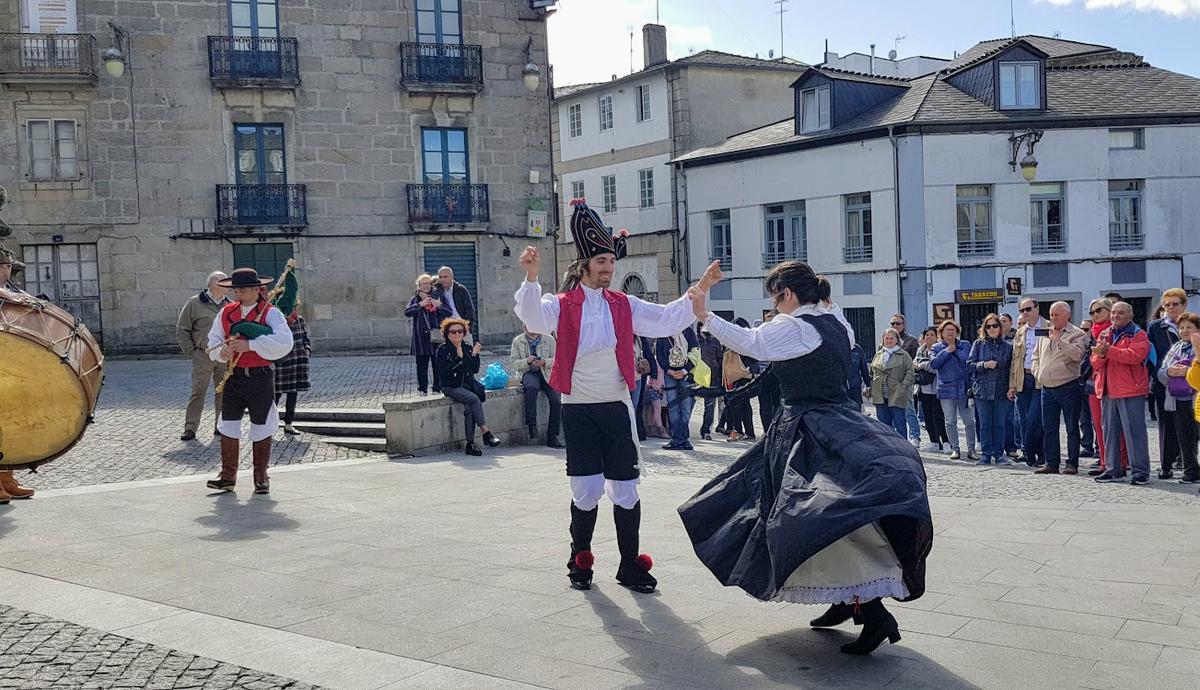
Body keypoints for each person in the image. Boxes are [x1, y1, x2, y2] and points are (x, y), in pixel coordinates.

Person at [679, 260, 932, 656]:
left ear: (787, 294)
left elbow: (753, 342)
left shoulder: (793, 325)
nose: (774, 306)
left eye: (775, 298)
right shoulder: (836, 320)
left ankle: (873, 612)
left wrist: (704, 316)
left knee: (812, 516)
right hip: (836, 422)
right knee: (824, 514)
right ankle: (848, 600)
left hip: (806, 429)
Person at [514, 201, 720, 594]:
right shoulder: (561, 304)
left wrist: (703, 287)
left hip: (617, 406)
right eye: (602, 261)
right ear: (584, 265)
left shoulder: (623, 304)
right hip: (578, 408)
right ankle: (580, 560)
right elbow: (533, 319)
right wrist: (532, 276)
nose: (609, 268)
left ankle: (629, 565)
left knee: (626, 488)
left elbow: (666, 318)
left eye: (611, 261)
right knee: (586, 489)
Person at [206, 268, 294, 495]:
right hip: (233, 377)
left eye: (243, 290)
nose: (238, 295)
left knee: (262, 425)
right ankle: (227, 477)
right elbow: (213, 341)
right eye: (236, 291)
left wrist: (251, 345)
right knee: (228, 424)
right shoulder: (226, 312)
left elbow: (285, 342)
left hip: (260, 377)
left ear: (256, 289)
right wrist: (221, 352)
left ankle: (261, 476)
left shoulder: (270, 313)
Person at [1092, 302, 1152, 485]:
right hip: (1107, 388)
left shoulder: (1138, 334)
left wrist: (1108, 351)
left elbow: (1134, 356)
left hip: (1130, 389)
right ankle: (1113, 469)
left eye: (1121, 313)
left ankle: (1140, 472)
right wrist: (1101, 355)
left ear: (1130, 316)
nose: (1115, 316)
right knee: (1109, 432)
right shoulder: (1105, 334)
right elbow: (1094, 362)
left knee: (1134, 432)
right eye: (1113, 313)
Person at [1031, 302, 1089, 475]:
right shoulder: (1044, 333)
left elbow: (1078, 355)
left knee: (1071, 427)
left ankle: (1072, 463)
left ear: (1067, 315)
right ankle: (1051, 463)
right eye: (1051, 315)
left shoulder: (1077, 333)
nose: (1053, 318)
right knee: (1049, 427)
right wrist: (1037, 372)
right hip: (1046, 387)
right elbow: (1035, 356)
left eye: (1057, 315)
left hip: (1068, 385)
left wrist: (1059, 341)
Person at [0, 251, 37, 502]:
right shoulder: (6, 292)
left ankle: (6, 478)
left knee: (8, 423)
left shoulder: (10, 289)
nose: (8, 270)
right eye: (6, 266)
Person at [176, 271, 230, 441]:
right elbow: (182, 329)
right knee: (198, 392)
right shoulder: (194, 303)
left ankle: (220, 427)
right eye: (224, 281)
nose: (229, 285)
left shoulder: (230, 305)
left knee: (223, 392)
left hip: (224, 356)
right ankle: (190, 428)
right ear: (214, 284)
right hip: (202, 355)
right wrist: (191, 352)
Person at [435, 317, 501, 456]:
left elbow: (474, 370)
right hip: (451, 386)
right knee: (474, 399)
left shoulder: (467, 347)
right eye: (453, 332)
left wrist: (475, 354)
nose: (457, 334)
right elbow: (444, 372)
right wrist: (458, 358)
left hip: (467, 385)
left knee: (469, 409)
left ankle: (470, 444)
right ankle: (486, 432)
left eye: (460, 331)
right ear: (447, 334)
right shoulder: (443, 350)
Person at [1148, 289, 1188, 479]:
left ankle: (1189, 463)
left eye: (1175, 304)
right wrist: (1160, 374)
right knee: (1166, 425)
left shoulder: (1192, 324)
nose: (1171, 307)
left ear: (1184, 305)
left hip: (1190, 383)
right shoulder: (1156, 327)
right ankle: (1166, 466)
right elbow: (1151, 355)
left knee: (1189, 425)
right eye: (1167, 304)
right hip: (1163, 383)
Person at [1158, 311, 1199, 483]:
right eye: (1181, 327)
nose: (1184, 331)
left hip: (1196, 399)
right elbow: (1161, 372)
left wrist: (1188, 371)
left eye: (1189, 327)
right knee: (1185, 438)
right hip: (1177, 400)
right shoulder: (1176, 348)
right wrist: (1169, 372)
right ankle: (1191, 471)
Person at [968, 314, 1014, 466]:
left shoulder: (1008, 346)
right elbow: (969, 365)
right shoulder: (978, 344)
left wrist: (1012, 387)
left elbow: (1012, 369)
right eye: (988, 326)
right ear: (984, 329)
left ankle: (999, 455)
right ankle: (986, 454)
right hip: (982, 390)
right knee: (984, 424)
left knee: (1000, 424)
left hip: (1001, 390)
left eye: (995, 325)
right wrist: (984, 364)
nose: (992, 328)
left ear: (1000, 328)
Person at [1008, 299, 1047, 466]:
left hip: (1040, 378)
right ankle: (1031, 454)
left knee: (1034, 419)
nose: (1025, 313)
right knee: (1024, 419)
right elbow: (1015, 360)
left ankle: (1038, 454)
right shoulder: (1021, 331)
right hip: (1023, 377)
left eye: (1028, 309)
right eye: (1022, 310)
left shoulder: (1048, 327)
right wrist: (1012, 385)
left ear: (1037, 308)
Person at [510, 325, 562, 448]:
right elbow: (514, 363)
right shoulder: (518, 341)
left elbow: (558, 359)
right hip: (528, 372)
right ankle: (532, 425)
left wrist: (544, 362)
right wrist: (527, 361)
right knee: (531, 388)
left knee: (556, 400)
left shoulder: (549, 339)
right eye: (528, 326)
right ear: (524, 328)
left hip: (547, 372)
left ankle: (553, 435)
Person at [931, 320, 976, 461]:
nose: (950, 332)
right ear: (941, 333)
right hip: (946, 389)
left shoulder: (965, 345)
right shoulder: (936, 347)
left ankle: (971, 449)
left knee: (969, 421)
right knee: (950, 421)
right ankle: (955, 448)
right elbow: (934, 364)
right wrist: (946, 352)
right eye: (947, 330)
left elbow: (971, 363)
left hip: (964, 389)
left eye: (953, 330)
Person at [405, 273, 451, 395]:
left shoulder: (439, 297)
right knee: (421, 366)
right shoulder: (415, 299)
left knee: (438, 365)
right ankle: (422, 389)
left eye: (428, 283)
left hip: (437, 337)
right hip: (421, 339)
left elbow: (449, 312)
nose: (426, 286)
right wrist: (421, 304)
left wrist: (439, 305)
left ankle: (437, 388)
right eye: (423, 284)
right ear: (419, 286)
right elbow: (407, 312)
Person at [657, 327, 699, 451]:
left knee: (686, 407)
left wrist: (685, 370)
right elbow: (659, 354)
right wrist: (668, 370)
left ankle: (684, 438)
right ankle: (676, 438)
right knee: (673, 407)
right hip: (669, 373)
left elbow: (695, 352)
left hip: (686, 373)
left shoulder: (688, 331)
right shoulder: (663, 331)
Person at [273, 305, 311, 436]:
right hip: (281, 361)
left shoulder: (300, 320)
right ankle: (270, 424)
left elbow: (305, 338)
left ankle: (288, 424)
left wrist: (307, 349)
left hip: (297, 360)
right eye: (291, 307)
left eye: (295, 307)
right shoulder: (277, 321)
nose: (294, 309)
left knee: (293, 393)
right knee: (275, 395)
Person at [869, 329, 915, 437]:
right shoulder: (878, 355)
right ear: (883, 340)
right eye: (887, 338)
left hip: (896, 395)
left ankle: (902, 445)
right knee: (884, 426)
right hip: (880, 396)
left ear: (897, 340)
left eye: (891, 338)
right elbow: (872, 372)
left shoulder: (904, 355)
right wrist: (870, 388)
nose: (889, 341)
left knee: (900, 424)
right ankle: (888, 445)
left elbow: (910, 373)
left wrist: (903, 386)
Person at [913, 327, 949, 452]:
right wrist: (918, 366)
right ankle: (934, 441)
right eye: (927, 335)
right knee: (927, 417)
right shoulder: (920, 350)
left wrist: (922, 365)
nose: (929, 337)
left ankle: (946, 441)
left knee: (938, 416)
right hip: (923, 389)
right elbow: (914, 365)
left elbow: (936, 367)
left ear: (937, 337)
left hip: (937, 388)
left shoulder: (939, 349)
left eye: (932, 335)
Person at [890, 314, 922, 449]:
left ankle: (915, 436)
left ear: (903, 325)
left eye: (898, 323)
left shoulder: (911, 341)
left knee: (909, 409)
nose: (895, 326)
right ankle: (894, 436)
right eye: (893, 323)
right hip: (890, 381)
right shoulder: (888, 339)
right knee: (892, 409)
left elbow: (916, 360)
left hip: (905, 380)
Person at [723, 319, 757, 442]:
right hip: (746, 375)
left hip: (742, 375)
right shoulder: (750, 341)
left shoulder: (739, 342)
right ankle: (749, 432)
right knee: (744, 404)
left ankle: (738, 431)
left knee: (735, 404)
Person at [696, 324, 723, 439]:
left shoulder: (715, 341)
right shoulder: (695, 340)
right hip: (696, 376)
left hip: (712, 377)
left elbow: (720, 359)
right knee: (689, 405)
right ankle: (682, 430)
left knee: (710, 406)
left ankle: (706, 430)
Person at [433, 266, 477, 336]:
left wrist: (468, 327)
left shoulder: (461, 290)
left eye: (445, 277)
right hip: (444, 328)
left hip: (460, 326)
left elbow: (469, 310)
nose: (442, 279)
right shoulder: (435, 290)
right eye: (440, 277)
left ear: (452, 277)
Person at [847, 340, 871, 413]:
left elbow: (864, 368)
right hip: (839, 389)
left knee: (856, 414)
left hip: (855, 389)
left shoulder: (857, 349)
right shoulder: (836, 346)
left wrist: (868, 386)